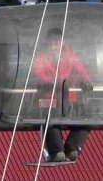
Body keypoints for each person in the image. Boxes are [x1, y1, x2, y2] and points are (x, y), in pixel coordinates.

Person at [34, 27, 93, 162]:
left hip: (67, 99)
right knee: (50, 120)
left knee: (85, 121)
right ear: (47, 43)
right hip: (49, 99)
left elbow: (80, 69)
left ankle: (73, 147)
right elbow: (37, 73)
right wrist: (47, 83)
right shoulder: (42, 57)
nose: (55, 46)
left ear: (62, 43)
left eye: (57, 43)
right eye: (52, 43)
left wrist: (85, 82)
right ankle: (56, 150)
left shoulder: (69, 56)